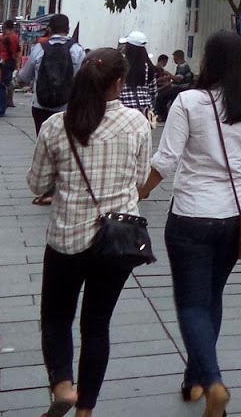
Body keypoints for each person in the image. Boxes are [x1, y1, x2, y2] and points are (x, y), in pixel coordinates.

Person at [139, 31, 241, 417]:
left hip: (191, 217)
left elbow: (166, 161)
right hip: (236, 216)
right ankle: (194, 378)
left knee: (191, 303)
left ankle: (213, 382)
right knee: (212, 296)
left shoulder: (188, 101)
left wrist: (139, 194)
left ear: (207, 61)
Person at [26, 47, 151, 417]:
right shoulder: (137, 124)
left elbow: (37, 184)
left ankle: (63, 386)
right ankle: (86, 411)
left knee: (56, 318)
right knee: (97, 326)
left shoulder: (56, 125)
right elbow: (142, 179)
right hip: (117, 240)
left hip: (67, 238)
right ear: (117, 83)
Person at [18, 14, 88, 138]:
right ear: (68, 29)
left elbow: (24, 77)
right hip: (66, 106)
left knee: (42, 140)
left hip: (40, 104)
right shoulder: (77, 50)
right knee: (65, 141)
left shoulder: (39, 48)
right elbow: (81, 80)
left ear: (49, 29)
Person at [118, 32, 158, 117]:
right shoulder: (148, 65)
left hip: (125, 107)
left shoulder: (121, 64)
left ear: (128, 46)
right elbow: (153, 92)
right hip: (145, 109)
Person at [0, 19, 23, 107]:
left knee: (7, 81)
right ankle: (8, 100)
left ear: (5, 27)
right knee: (8, 80)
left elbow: (12, 50)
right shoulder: (14, 36)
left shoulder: (9, 37)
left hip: (6, 60)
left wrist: (13, 59)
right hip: (9, 59)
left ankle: (8, 100)